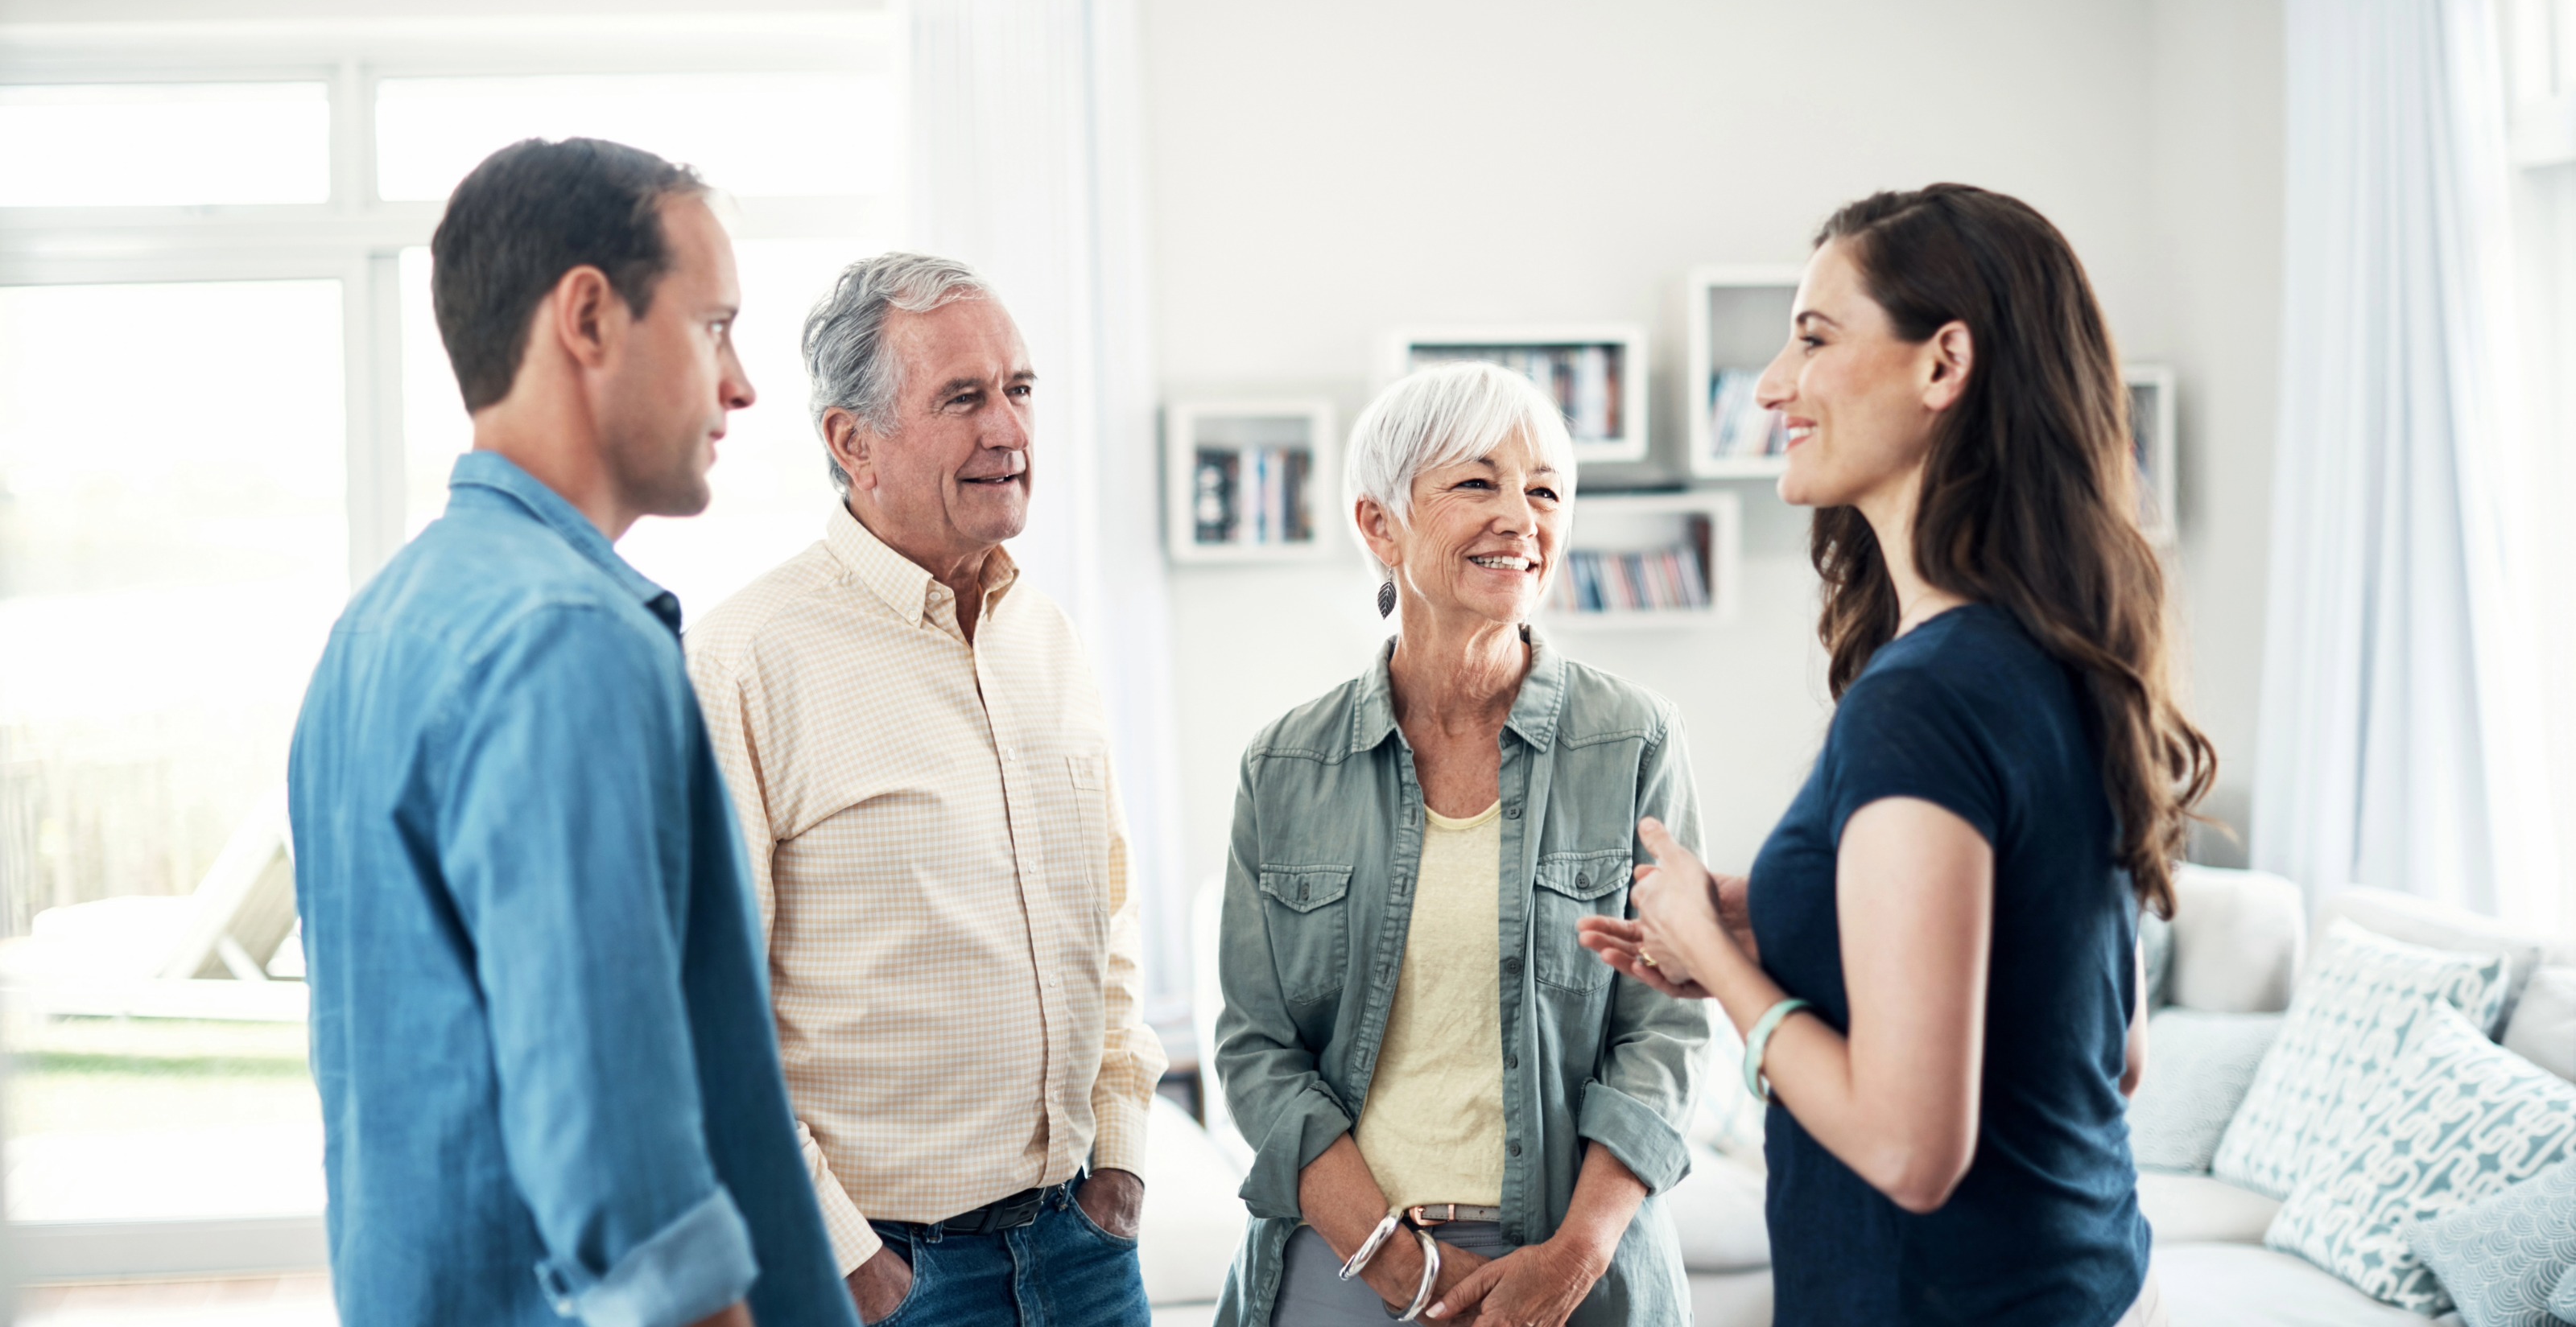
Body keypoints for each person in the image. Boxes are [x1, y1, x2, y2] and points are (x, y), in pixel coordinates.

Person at [1581, 184, 2216, 1327]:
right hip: (2097, 1280)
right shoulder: (2063, 659)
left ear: (1943, 364)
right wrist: (1782, 919)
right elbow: (2103, 1052)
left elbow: (1911, 1150)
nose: (1773, 385)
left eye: (1815, 338)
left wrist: (1715, 960)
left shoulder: (1919, 702)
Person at [288, 138, 858, 1327]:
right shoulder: (566, 642)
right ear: (589, 317)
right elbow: (617, 1152)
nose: (742, 384)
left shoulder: (379, 627)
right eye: (714, 327)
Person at [687, 253, 1166, 1327]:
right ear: (851, 443)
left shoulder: (1049, 637)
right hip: (890, 1279)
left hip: (1085, 1250)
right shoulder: (743, 663)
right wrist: (846, 1258)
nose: (1008, 431)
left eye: (1020, 390)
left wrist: (1121, 1161)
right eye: (963, 398)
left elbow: (1109, 914)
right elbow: (710, 1012)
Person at [1211, 361, 1710, 1327]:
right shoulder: (1283, 765)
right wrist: (1403, 1269)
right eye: (1476, 483)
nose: (1519, 517)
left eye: (1544, 491)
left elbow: (1667, 1029)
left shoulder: (1635, 739)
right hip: (1347, 1258)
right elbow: (1257, 1051)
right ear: (1378, 525)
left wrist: (1573, 1258)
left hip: (1575, 1262)